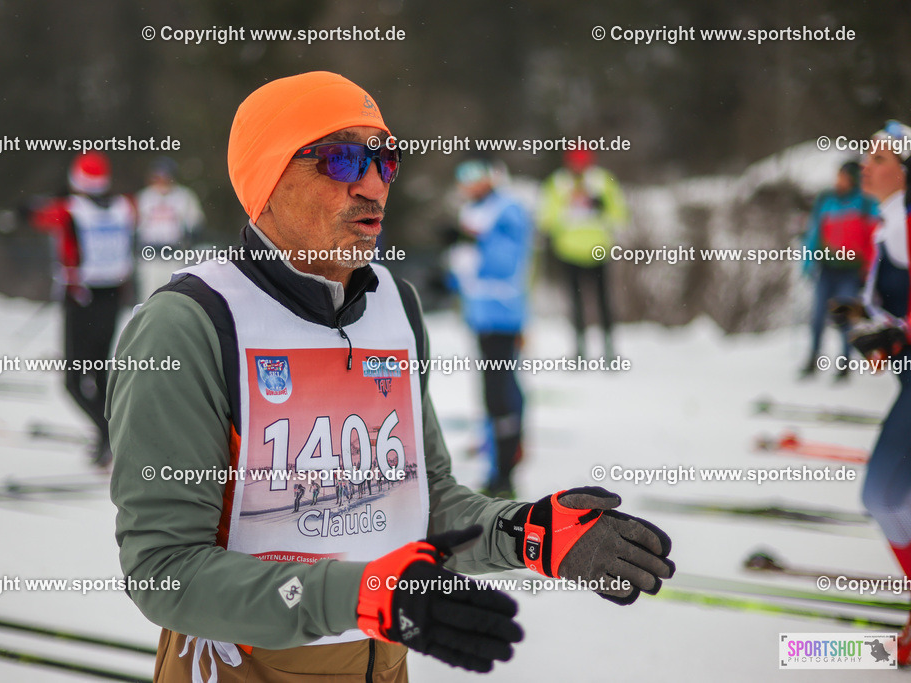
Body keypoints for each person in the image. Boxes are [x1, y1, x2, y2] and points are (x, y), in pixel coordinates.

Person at [107, 71, 674, 682]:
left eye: (386, 159)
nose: (374, 184)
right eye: (344, 159)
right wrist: (359, 595)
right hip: (245, 668)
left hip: (385, 663)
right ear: (267, 179)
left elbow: (423, 501)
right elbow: (164, 570)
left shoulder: (394, 307)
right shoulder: (189, 326)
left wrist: (529, 533)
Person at [30, 151, 135, 466]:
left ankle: (107, 435)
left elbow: (38, 218)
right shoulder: (123, 207)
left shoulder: (69, 209)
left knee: (73, 381)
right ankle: (108, 435)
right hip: (112, 296)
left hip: (81, 298)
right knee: (99, 373)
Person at [854, 120, 911, 665]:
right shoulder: (889, 224)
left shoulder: (905, 224)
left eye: (879, 157)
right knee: (888, 498)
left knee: (883, 495)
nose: (866, 165)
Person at [448, 158, 533, 498]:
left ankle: (505, 471)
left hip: (504, 315)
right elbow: (465, 265)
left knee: (501, 393)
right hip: (480, 315)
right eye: (462, 177)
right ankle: (497, 455)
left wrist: (472, 244)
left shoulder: (507, 210)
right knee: (490, 392)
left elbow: (505, 261)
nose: (468, 184)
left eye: (474, 175)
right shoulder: (473, 211)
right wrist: (449, 280)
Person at [537, 148, 628, 358]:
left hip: (598, 250)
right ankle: (580, 349)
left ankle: (609, 348)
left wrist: (601, 206)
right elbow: (545, 219)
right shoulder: (557, 184)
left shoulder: (602, 182)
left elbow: (620, 215)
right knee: (575, 303)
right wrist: (566, 209)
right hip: (569, 251)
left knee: (604, 301)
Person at [800, 160, 880, 380]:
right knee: (817, 316)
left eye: (844, 177)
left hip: (851, 271)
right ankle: (813, 357)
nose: (839, 181)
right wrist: (808, 262)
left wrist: (869, 270)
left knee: (845, 317)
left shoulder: (865, 203)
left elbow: (874, 239)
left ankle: (844, 362)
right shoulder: (826, 200)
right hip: (826, 268)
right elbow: (814, 234)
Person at [136, 157, 205, 299]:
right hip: (150, 256)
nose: (161, 180)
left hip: (175, 255)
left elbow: (195, 224)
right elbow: (135, 227)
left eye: (165, 176)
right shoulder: (144, 197)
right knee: (148, 298)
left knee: (175, 296)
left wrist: (189, 241)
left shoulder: (184, 196)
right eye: (158, 176)